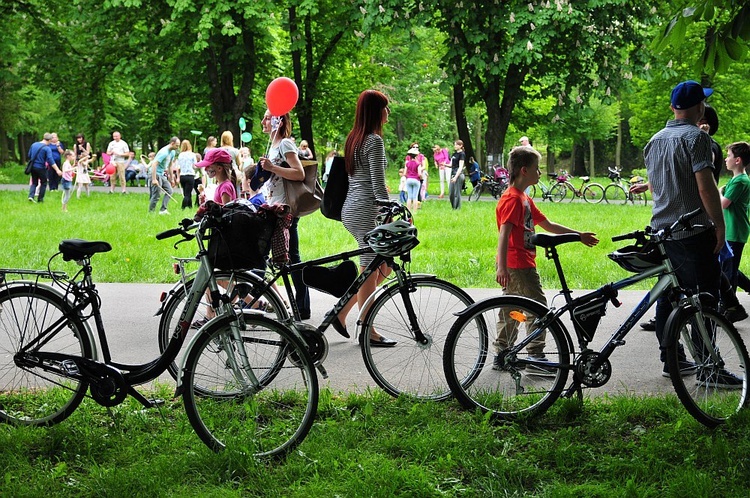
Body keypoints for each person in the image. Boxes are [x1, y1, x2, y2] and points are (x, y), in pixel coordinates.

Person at [631, 80, 737, 384]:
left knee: (669, 297)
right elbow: (706, 188)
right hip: (693, 232)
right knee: (705, 298)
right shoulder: (698, 139)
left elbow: (660, 186)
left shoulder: (654, 140)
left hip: (662, 232)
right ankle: (709, 367)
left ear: (673, 107)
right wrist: (720, 225)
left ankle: (672, 359)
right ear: (699, 107)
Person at [494, 145, 599, 373]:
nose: (540, 173)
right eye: (537, 168)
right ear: (524, 170)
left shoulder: (523, 198)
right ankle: (536, 357)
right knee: (538, 309)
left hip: (519, 263)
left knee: (512, 308)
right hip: (518, 265)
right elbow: (504, 233)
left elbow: (548, 225)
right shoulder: (512, 199)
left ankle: (502, 353)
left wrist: (577, 236)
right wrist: (501, 266)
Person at [336, 89, 396, 347]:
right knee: (370, 269)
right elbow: (377, 185)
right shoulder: (373, 141)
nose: (388, 112)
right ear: (375, 111)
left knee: (384, 266)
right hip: (365, 211)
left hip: (352, 208)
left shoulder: (354, 139)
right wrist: (390, 211)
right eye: (385, 107)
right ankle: (367, 329)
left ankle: (342, 311)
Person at [258, 109, 311, 320]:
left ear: (278, 122)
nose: (263, 121)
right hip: (274, 207)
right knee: (284, 258)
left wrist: (273, 168)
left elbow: (299, 173)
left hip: (286, 209)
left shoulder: (285, 144)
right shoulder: (273, 146)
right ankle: (294, 304)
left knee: (292, 258)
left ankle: (301, 306)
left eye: (267, 117)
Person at [720, 142, 750, 321]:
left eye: (729, 156)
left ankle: (730, 309)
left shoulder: (741, 181)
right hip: (731, 231)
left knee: (728, 271)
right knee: (727, 266)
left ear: (737, 160)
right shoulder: (736, 179)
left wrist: (713, 192)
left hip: (735, 232)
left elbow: (723, 203)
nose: (726, 158)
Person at [148, 137, 179, 214]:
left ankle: (163, 210)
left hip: (161, 174)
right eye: (177, 145)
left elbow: (170, 165)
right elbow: (154, 164)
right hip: (155, 174)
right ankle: (151, 212)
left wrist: (172, 179)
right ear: (172, 143)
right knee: (156, 195)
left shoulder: (172, 152)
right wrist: (154, 179)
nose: (177, 147)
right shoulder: (164, 152)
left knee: (169, 191)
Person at [27, 133, 60, 203]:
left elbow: (29, 155)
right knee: (43, 183)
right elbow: (51, 160)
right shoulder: (47, 148)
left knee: (34, 182)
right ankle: (40, 199)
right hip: (41, 167)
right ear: (49, 140)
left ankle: (31, 196)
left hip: (33, 167)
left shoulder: (34, 144)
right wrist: (57, 170)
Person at [176, 140, 198, 209]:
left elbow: (178, 167)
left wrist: (178, 177)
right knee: (188, 194)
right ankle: (183, 207)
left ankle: (190, 206)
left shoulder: (180, 155)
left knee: (186, 192)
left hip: (182, 175)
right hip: (190, 175)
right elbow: (195, 166)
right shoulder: (192, 155)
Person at [449, 140, 466, 210]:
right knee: (451, 193)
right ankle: (453, 207)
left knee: (457, 193)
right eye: (454, 145)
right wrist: (444, 165)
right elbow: (451, 165)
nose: (455, 146)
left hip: (458, 175)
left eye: (456, 145)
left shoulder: (462, 154)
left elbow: (460, 167)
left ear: (461, 146)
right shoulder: (454, 154)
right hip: (452, 174)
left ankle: (457, 208)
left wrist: (456, 177)